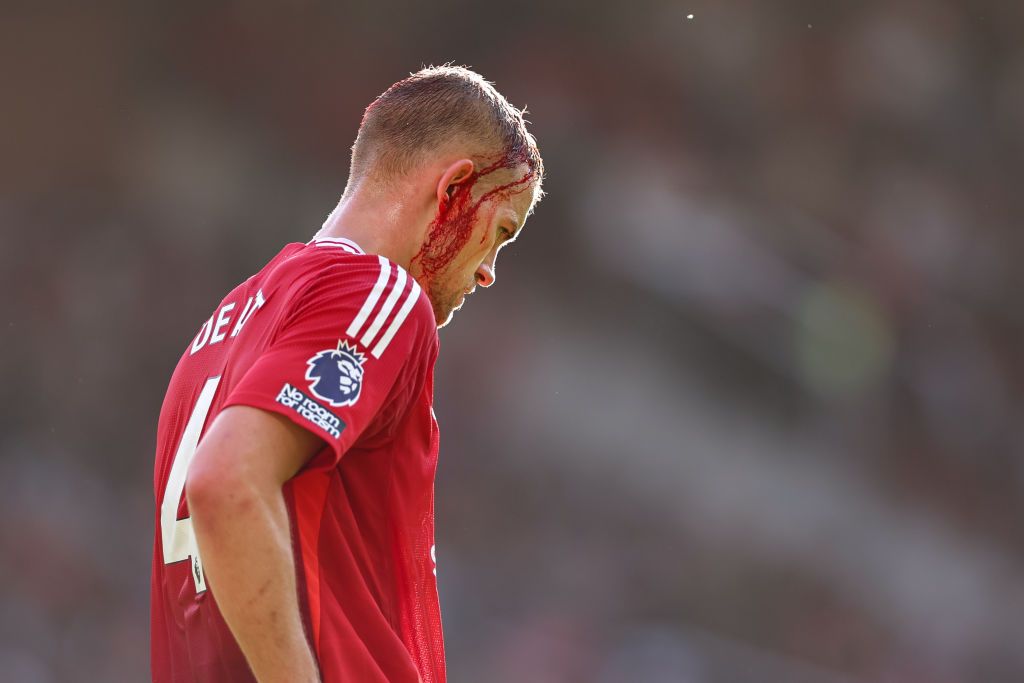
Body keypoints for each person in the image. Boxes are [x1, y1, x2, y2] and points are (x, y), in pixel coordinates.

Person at [150, 65, 543, 683]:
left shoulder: (227, 323)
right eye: (500, 233)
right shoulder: (378, 291)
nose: (489, 270)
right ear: (454, 189)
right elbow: (226, 483)